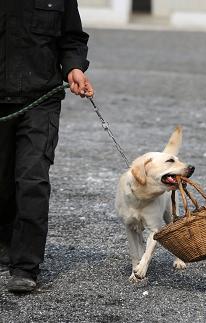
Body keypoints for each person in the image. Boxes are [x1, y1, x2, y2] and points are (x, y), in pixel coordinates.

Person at [0, 0, 93, 292]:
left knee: (32, 179)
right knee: (2, 181)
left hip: (41, 100)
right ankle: (6, 243)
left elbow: (72, 37)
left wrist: (74, 68)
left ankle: (26, 265)